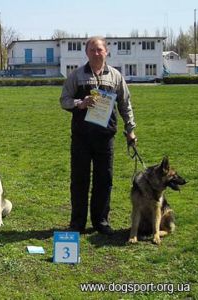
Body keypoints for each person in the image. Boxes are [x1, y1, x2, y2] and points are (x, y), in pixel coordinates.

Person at [59, 36, 137, 235]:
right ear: (86, 53)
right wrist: (80, 103)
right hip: (81, 138)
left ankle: (101, 221)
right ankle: (77, 223)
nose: (96, 53)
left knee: (104, 180)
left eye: (99, 49)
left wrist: (131, 129)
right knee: (79, 180)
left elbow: (125, 105)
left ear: (106, 51)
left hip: (105, 137)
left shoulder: (116, 77)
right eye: (92, 49)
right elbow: (64, 100)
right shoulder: (76, 75)